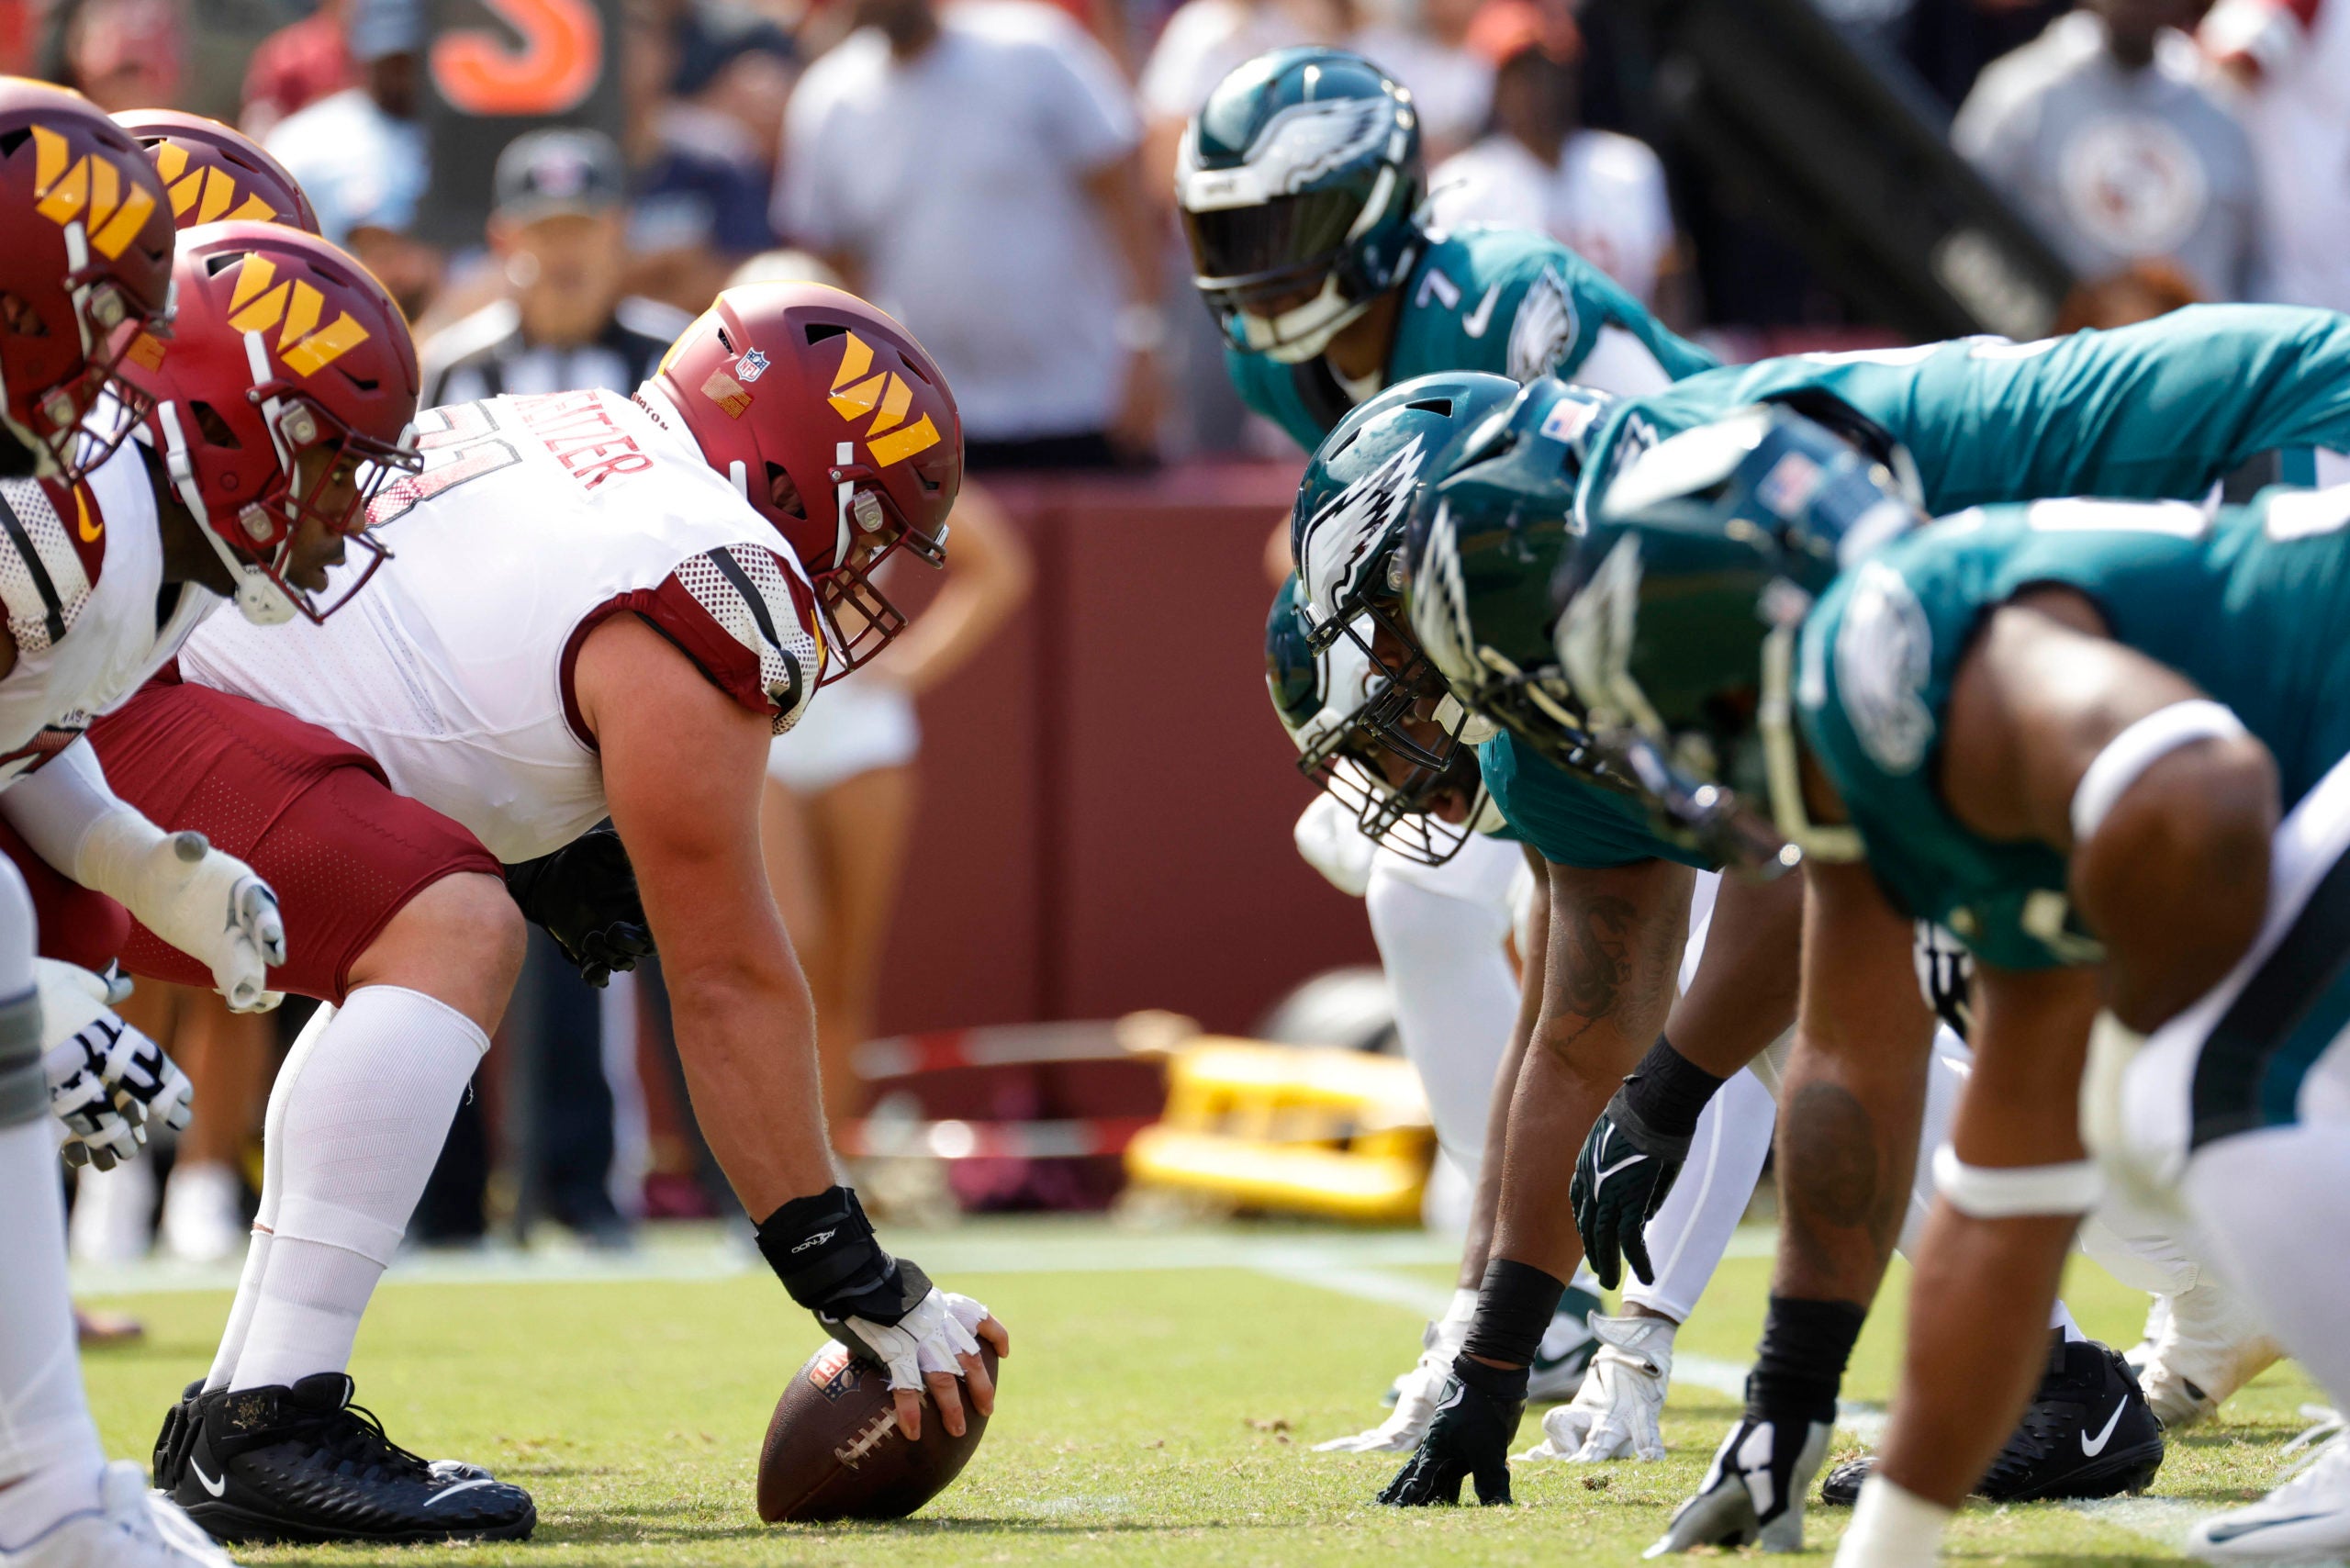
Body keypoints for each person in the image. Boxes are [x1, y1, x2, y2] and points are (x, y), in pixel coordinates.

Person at [100, 282, 1010, 1545]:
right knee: (448, 925)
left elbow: (417, 665)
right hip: (122, 715)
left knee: (437, 914)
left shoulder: (569, 424)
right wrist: (852, 1274)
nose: (854, 576)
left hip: (116, 675)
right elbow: (731, 976)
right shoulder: (711, 565)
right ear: (797, 480)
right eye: (863, 528)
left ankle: (242, 1423)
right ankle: (270, 1414)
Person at [1556, 422, 2350, 1565]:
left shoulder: (1890, 644)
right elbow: (1983, 1187)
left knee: (2180, 1083)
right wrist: (1859, 1495)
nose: (1695, 761)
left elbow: (2198, 792)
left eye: (1687, 706)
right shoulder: (1933, 754)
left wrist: (2136, 1038)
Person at [1186, 45, 1718, 1451]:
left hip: (1661, 613)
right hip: (1528, 641)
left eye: (1275, 229)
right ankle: (1525, 1303)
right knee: (1421, 887)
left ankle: (2072, 1328)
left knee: (1756, 991)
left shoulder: (1496, 304)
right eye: (1224, 232)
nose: (1250, 268)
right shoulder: (1282, 350)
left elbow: (1609, 516)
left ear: (1367, 211)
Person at [0, 80, 392, 1568]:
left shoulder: (99, 520)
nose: (122, 373)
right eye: (91, 321)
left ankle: (42, 1486)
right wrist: (27, 996)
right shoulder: (57, 522)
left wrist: (134, 857)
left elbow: (15, 741)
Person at [778, 0, 1162, 468]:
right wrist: (882, 413)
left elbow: (1125, 196)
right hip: (930, 427)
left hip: (1086, 399)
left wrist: (1145, 341)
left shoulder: (1034, 49)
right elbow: (833, 276)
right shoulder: (826, 101)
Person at [1954, 0, 2261, 301]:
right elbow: (1959, 230)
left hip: (2180, 349)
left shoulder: (2225, 121)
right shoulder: (2020, 93)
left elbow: (2250, 272)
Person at [1427, 3, 1677, 307]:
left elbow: (1669, 281)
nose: (1540, 89)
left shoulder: (1628, 165)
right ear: (1495, 86)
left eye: (1550, 71)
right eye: (1522, 75)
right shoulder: (1459, 188)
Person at [262, 0, 441, 319]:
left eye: (411, 59)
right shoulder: (305, 140)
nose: (402, 73)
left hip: (454, 326)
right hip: (333, 323)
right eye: (389, 59)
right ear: (361, 52)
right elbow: (268, 257)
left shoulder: (468, 138)